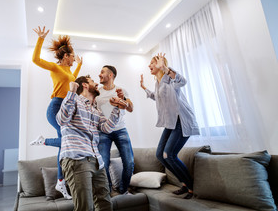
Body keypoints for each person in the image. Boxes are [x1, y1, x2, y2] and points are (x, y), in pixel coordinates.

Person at [56, 75, 126, 211]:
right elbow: (62, 120)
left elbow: (107, 128)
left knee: (105, 203)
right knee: (85, 207)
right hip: (76, 159)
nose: (97, 84)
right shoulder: (73, 101)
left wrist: (117, 108)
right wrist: (71, 92)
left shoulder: (95, 110)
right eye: (93, 81)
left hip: (96, 161)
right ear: (85, 85)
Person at [29, 26, 82, 199]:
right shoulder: (55, 68)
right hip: (56, 107)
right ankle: (45, 142)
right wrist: (40, 39)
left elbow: (71, 80)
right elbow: (36, 59)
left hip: (66, 107)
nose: (74, 58)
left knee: (65, 143)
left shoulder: (68, 71)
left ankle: (61, 181)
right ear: (66, 56)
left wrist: (79, 66)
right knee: (65, 141)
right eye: (73, 56)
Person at [140, 53, 200, 199]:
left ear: (160, 64)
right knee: (160, 155)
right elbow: (157, 97)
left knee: (169, 154)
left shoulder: (170, 79)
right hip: (170, 123)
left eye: (152, 63)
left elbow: (183, 81)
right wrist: (144, 88)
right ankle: (184, 183)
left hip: (181, 121)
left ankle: (190, 186)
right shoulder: (158, 82)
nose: (149, 66)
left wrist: (166, 68)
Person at [95, 65, 134, 195]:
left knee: (129, 163)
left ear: (110, 75)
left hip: (120, 130)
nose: (99, 74)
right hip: (103, 132)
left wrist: (123, 99)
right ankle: (109, 190)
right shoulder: (97, 93)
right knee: (103, 164)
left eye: (102, 72)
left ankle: (123, 189)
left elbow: (130, 108)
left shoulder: (121, 90)